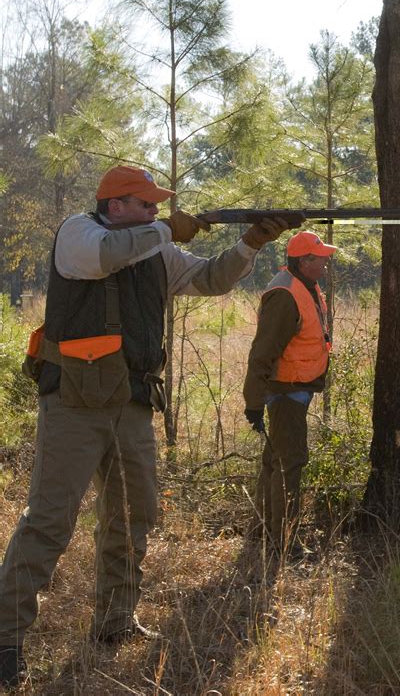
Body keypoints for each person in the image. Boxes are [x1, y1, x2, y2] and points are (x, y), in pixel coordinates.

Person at [0, 165, 290, 688]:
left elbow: (212, 278)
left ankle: (114, 622)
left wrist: (251, 242)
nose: (157, 212)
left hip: (131, 401)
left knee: (133, 516)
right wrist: (166, 230)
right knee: (48, 522)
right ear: (115, 206)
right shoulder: (78, 233)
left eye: (158, 208)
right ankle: (4, 639)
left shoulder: (156, 249)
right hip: (74, 402)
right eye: (146, 205)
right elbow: (106, 257)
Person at [243, 230, 337, 561]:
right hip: (285, 393)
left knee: (275, 462)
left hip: (294, 389)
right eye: (320, 257)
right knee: (290, 464)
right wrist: (254, 402)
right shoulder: (285, 295)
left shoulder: (303, 286)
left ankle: (260, 532)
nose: (326, 262)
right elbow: (263, 352)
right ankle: (283, 543)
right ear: (303, 261)